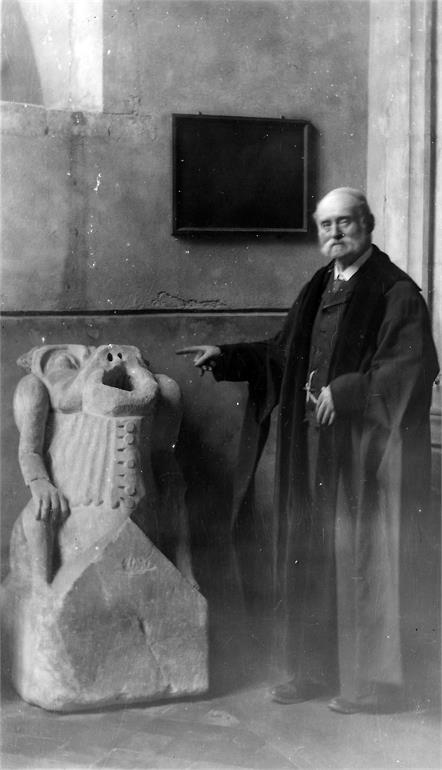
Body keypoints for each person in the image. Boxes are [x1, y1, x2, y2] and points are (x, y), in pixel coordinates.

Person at [177, 188, 439, 714]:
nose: (335, 234)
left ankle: (374, 686)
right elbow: (283, 352)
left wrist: (345, 393)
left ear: (367, 224)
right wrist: (228, 357)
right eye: (326, 226)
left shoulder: (396, 292)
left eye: (345, 223)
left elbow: (411, 367)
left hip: (364, 455)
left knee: (362, 560)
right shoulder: (319, 286)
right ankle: (313, 672)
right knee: (312, 555)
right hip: (314, 453)